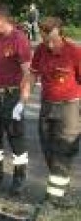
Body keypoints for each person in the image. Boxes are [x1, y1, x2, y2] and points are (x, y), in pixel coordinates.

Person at [0, 4, 32, 195]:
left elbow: (28, 72)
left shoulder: (19, 39)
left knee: (16, 139)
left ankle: (19, 179)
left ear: (4, 20)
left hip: (11, 97)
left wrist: (22, 101)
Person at [29, 17, 81, 207]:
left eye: (53, 40)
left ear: (61, 34)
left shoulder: (74, 52)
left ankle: (54, 199)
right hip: (47, 105)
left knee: (63, 151)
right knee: (48, 147)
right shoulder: (41, 51)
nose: (49, 44)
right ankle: (60, 191)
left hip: (70, 107)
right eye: (45, 40)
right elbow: (33, 73)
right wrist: (23, 98)